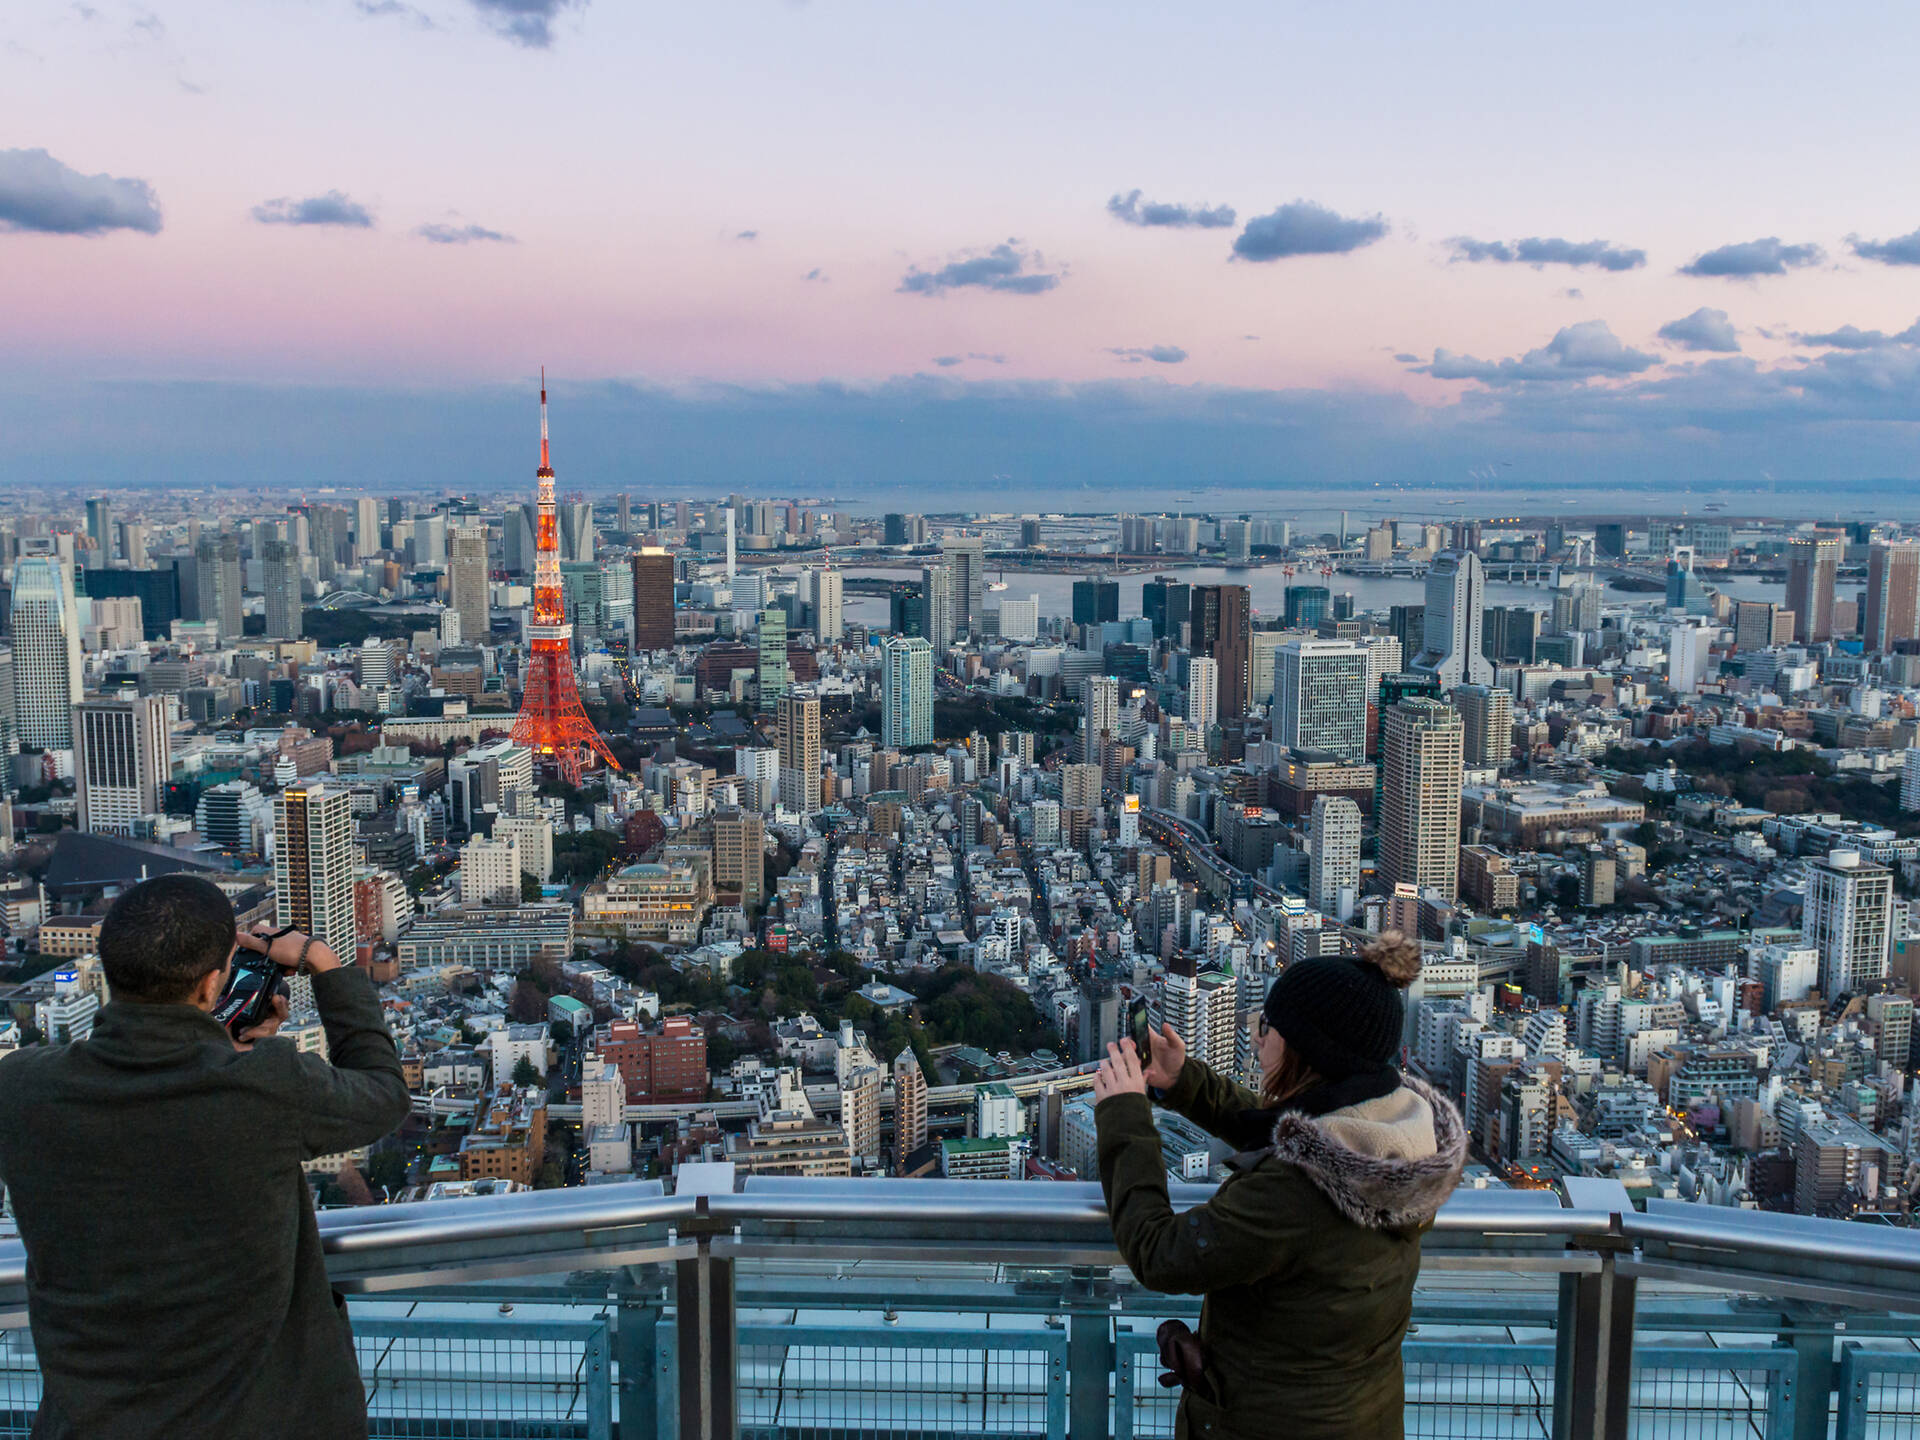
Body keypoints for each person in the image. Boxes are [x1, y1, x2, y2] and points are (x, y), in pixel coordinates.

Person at [0, 874, 412, 1439]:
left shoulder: (21, 1089)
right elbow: (384, 1093)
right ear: (214, 981)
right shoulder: (264, 1088)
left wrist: (224, 1052)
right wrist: (324, 963)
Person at [1092, 933, 1466, 1440]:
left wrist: (1125, 1115)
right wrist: (1182, 1081)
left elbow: (1161, 1253)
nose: (1257, 1038)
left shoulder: (1299, 1191)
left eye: (1267, 1026)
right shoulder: (1397, 1140)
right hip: (1360, 1415)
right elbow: (1293, 1129)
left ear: (1305, 1051)